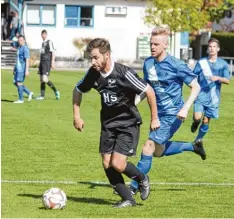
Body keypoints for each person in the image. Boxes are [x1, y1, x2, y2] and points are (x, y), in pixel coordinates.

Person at [73, 38, 160, 208]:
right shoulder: (93, 73)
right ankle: (128, 199)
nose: (93, 62)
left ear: (107, 55)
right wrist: (77, 116)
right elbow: (77, 90)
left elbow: (149, 91)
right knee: (106, 163)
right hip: (108, 124)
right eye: (91, 57)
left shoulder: (123, 73)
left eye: (96, 57)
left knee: (117, 164)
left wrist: (154, 118)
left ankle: (142, 178)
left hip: (128, 123)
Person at [129, 26, 206, 194]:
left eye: (156, 44)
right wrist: (133, 103)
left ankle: (134, 186)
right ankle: (193, 147)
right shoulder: (148, 63)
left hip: (173, 114)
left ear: (166, 45)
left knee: (148, 146)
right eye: (151, 43)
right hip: (158, 113)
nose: (152, 47)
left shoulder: (177, 65)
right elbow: (147, 89)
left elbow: (196, 87)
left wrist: (185, 108)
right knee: (157, 151)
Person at [191, 38, 231, 140]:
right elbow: (193, 76)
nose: (212, 49)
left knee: (205, 121)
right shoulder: (202, 62)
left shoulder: (223, 64)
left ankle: (198, 140)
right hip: (200, 95)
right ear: (207, 49)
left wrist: (218, 78)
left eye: (214, 47)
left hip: (213, 97)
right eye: (210, 47)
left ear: (218, 49)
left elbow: (227, 80)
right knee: (197, 117)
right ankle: (195, 123)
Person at [36, 30, 60, 100]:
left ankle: (56, 91)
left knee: (44, 79)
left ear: (46, 35)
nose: (43, 35)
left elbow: (53, 52)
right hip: (42, 62)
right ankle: (42, 96)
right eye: (42, 34)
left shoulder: (49, 42)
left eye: (44, 34)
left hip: (47, 62)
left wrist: (52, 62)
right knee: (41, 79)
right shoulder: (42, 43)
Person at [13, 35, 33, 103]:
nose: (20, 41)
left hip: (22, 68)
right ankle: (29, 92)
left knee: (19, 82)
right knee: (15, 82)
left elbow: (27, 59)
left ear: (24, 40)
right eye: (19, 40)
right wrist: (14, 68)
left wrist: (27, 70)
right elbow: (18, 59)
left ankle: (21, 99)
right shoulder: (19, 48)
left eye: (21, 40)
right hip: (18, 68)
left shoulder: (25, 48)